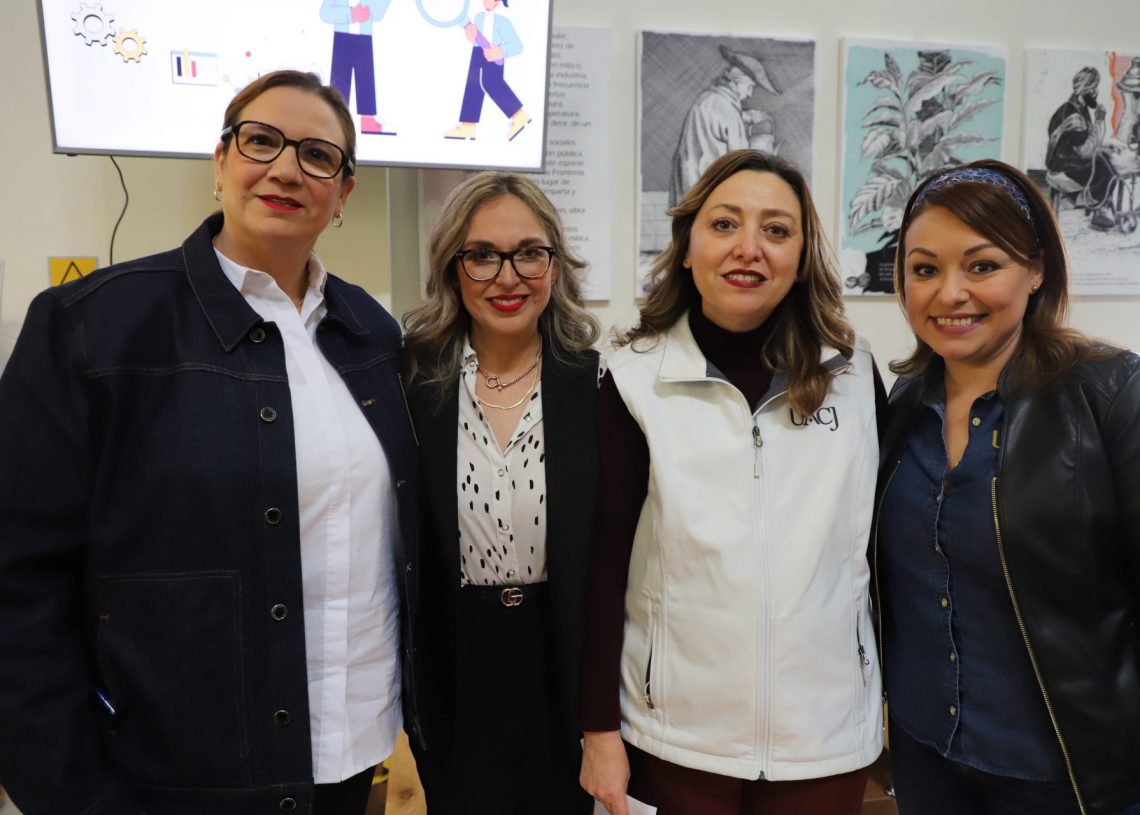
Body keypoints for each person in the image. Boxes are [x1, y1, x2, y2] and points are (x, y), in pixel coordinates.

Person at [0, 70, 420, 815]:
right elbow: (19, 584)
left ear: (343, 194)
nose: (286, 168)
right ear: (220, 162)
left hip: (352, 755)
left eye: (318, 155)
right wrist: (72, 790)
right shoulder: (91, 328)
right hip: (168, 777)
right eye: (261, 141)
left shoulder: (372, 333)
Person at [580, 149, 883, 815]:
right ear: (687, 246)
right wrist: (598, 730)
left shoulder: (854, 375)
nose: (749, 248)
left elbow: (880, 552)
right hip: (674, 738)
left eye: (776, 229)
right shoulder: (633, 378)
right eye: (724, 224)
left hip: (823, 740)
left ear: (802, 255)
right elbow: (603, 566)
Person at [875, 159, 1140, 815]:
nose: (950, 293)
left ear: (1036, 270)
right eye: (924, 269)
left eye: (982, 265)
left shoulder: (1111, 395)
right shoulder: (901, 405)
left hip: (1068, 774)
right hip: (927, 757)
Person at [401, 172, 600, 814]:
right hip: (456, 660)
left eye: (529, 254)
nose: (507, 277)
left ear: (555, 265)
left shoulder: (597, 386)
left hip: (563, 654)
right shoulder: (411, 383)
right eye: (483, 255)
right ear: (452, 267)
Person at [669, 46, 781, 207]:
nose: (749, 94)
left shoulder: (705, 99)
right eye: (749, 87)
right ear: (738, 82)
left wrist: (745, 116)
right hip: (710, 194)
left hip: (688, 186)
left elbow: (715, 121)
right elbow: (740, 162)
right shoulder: (731, 114)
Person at [443, 0, 531, 142]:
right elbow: (474, 38)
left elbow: (517, 46)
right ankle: (468, 126)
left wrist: (501, 51)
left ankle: (519, 116)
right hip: (478, 53)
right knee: (473, 87)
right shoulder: (479, 17)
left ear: (497, 2)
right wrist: (470, 33)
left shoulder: (503, 22)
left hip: (493, 55)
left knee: (493, 84)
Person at [1046, 66, 1116, 229]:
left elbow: (1085, 141)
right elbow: (1085, 152)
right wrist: (1099, 120)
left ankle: (1099, 208)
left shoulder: (1077, 107)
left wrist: (1102, 147)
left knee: (1105, 157)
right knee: (1106, 170)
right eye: (1093, 88)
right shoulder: (1074, 116)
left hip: (1066, 158)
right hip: (1063, 165)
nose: (1096, 93)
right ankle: (1095, 208)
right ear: (1085, 89)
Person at [321, 0, 395, 135]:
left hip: (364, 37)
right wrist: (351, 14)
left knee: (366, 78)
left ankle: (368, 120)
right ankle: (335, 119)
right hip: (342, 37)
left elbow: (378, 14)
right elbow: (325, 13)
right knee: (340, 78)